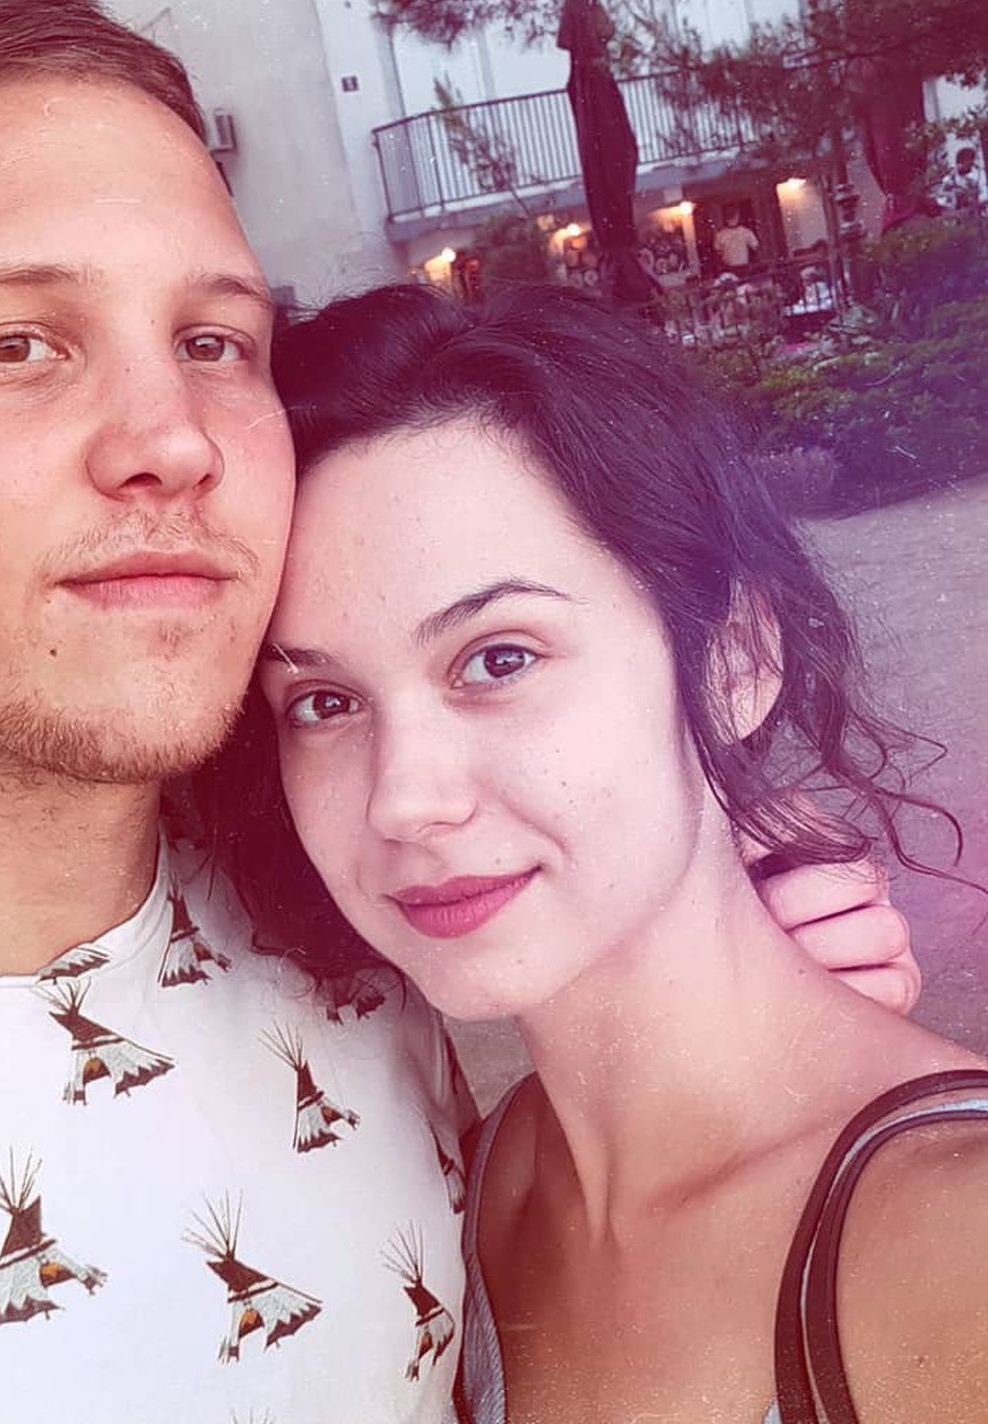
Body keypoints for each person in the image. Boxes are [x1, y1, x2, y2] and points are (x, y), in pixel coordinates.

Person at [0, 0, 915, 1422]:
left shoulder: (354, 953)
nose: (170, 441)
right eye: (16, 344)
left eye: (213, 343)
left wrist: (723, 989)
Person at [217, 281, 986, 1422]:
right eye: (323, 703)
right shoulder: (474, 1190)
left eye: (499, 658)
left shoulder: (953, 1254)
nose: (404, 800)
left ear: (735, 660)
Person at [715, 204, 761, 272]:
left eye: (733, 213)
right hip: (729, 270)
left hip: (745, 268)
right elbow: (717, 253)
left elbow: (756, 248)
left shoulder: (746, 232)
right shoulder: (720, 235)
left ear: (738, 215)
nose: (731, 216)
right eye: (729, 214)